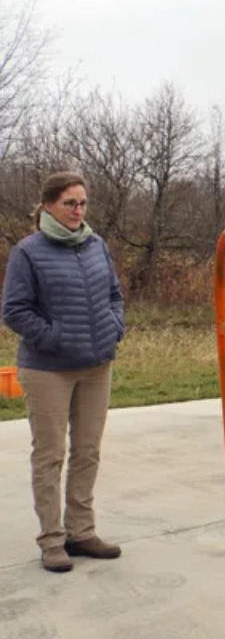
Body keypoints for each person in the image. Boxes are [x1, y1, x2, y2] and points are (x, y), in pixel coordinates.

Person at [2, 172, 125, 573]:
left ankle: (81, 531)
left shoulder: (96, 245)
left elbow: (114, 295)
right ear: (49, 205)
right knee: (50, 455)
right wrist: (56, 337)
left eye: (83, 203)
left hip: (96, 366)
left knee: (88, 451)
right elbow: (15, 310)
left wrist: (114, 327)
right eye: (70, 203)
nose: (78, 210)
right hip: (48, 369)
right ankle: (52, 540)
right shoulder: (29, 252)